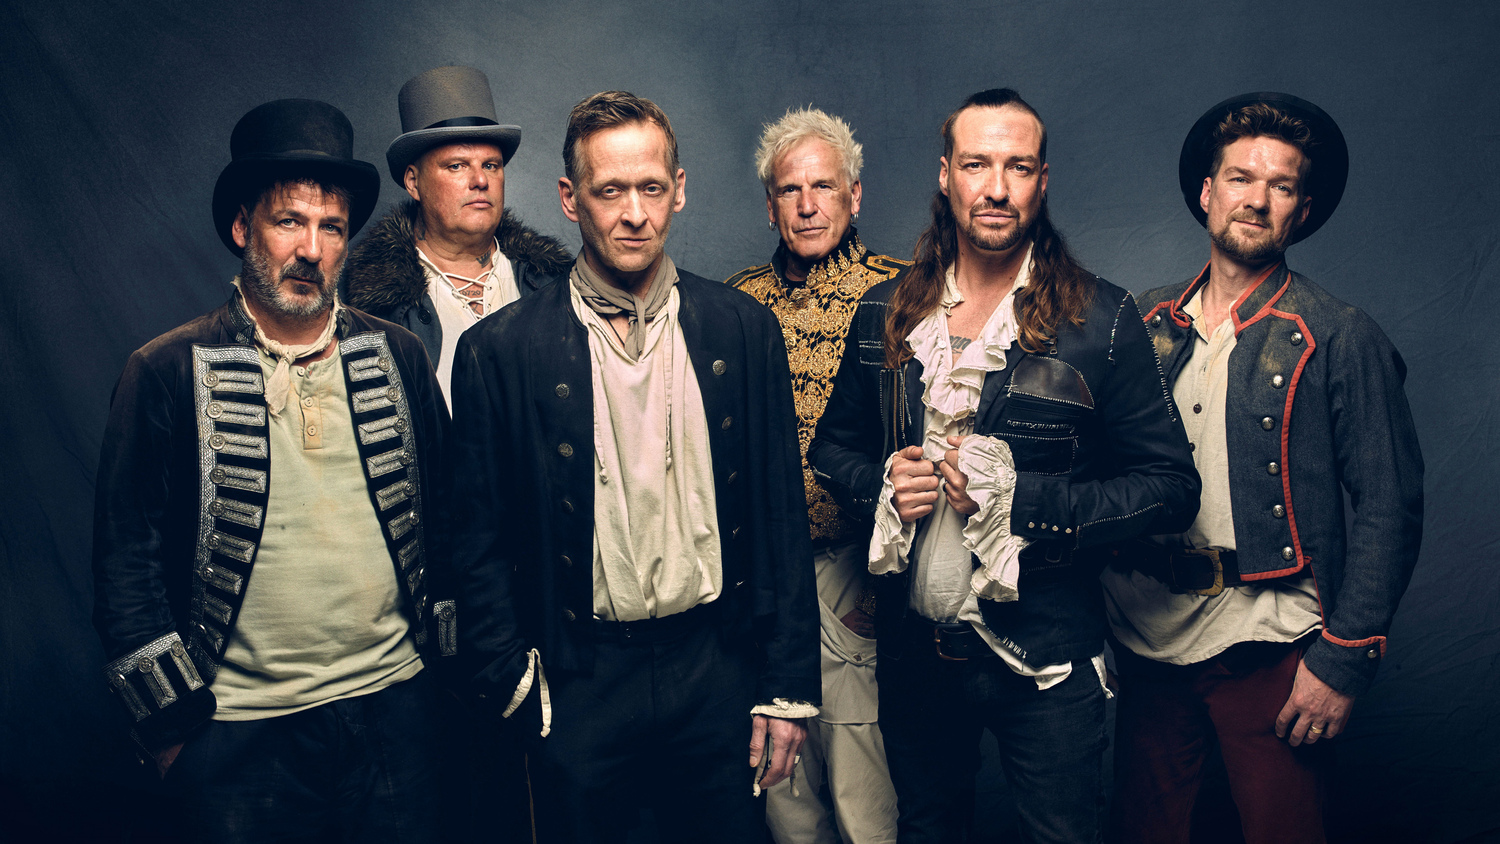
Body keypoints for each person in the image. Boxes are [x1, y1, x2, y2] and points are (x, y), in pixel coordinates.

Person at [807, 88, 1200, 844]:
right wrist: (880, 484)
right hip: (917, 656)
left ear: (1041, 181)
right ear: (945, 175)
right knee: (926, 831)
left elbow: (1172, 490)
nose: (996, 187)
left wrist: (1025, 503)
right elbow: (831, 450)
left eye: (1017, 167)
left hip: (1047, 659)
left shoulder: (1102, 319)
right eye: (976, 165)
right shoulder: (885, 310)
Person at [449, 90, 820, 843]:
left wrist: (786, 688)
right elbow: (476, 537)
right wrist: (512, 678)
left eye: (651, 188)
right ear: (570, 199)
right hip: (580, 678)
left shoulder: (742, 329)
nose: (634, 214)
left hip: (716, 667)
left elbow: (781, 515)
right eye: (609, 191)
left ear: (678, 189)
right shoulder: (500, 350)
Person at [92, 99, 454, 843]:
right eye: (289, 221)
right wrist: (171, 731)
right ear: (241, 228)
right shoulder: (166, 370)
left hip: (396, 715)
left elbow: (450, 519)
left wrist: (447, 685)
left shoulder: (399, 355)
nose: (311, 249)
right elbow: (125, 561)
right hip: (238, 736)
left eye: (332, 227)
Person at [1102, 92, 1424, 844]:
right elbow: (1098, 477)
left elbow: (1390, 504)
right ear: (1207, 193)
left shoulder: (1340, 334)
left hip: (1274, 644)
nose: (1256, 199)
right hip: (1145, 637)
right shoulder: (1141, 323)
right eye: (1240, 178)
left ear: (1301, 211)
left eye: (1280, 186)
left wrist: (1343, 661)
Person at [726, 106, 902, 844]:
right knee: (784, 795)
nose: (807, 205)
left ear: (854, 195)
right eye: (789, 190)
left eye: (823, 186)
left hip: (857, 572)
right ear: (770, 204)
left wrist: (885, 592)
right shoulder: (736, 302)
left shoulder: (904, 295)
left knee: (862, 793)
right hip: (763, 580)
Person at [344, 65, 571, 404]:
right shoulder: (371, 308)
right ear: (413, 182)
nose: (480, 180)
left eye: (491, 165)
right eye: (457, 166)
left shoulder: (552, 282)